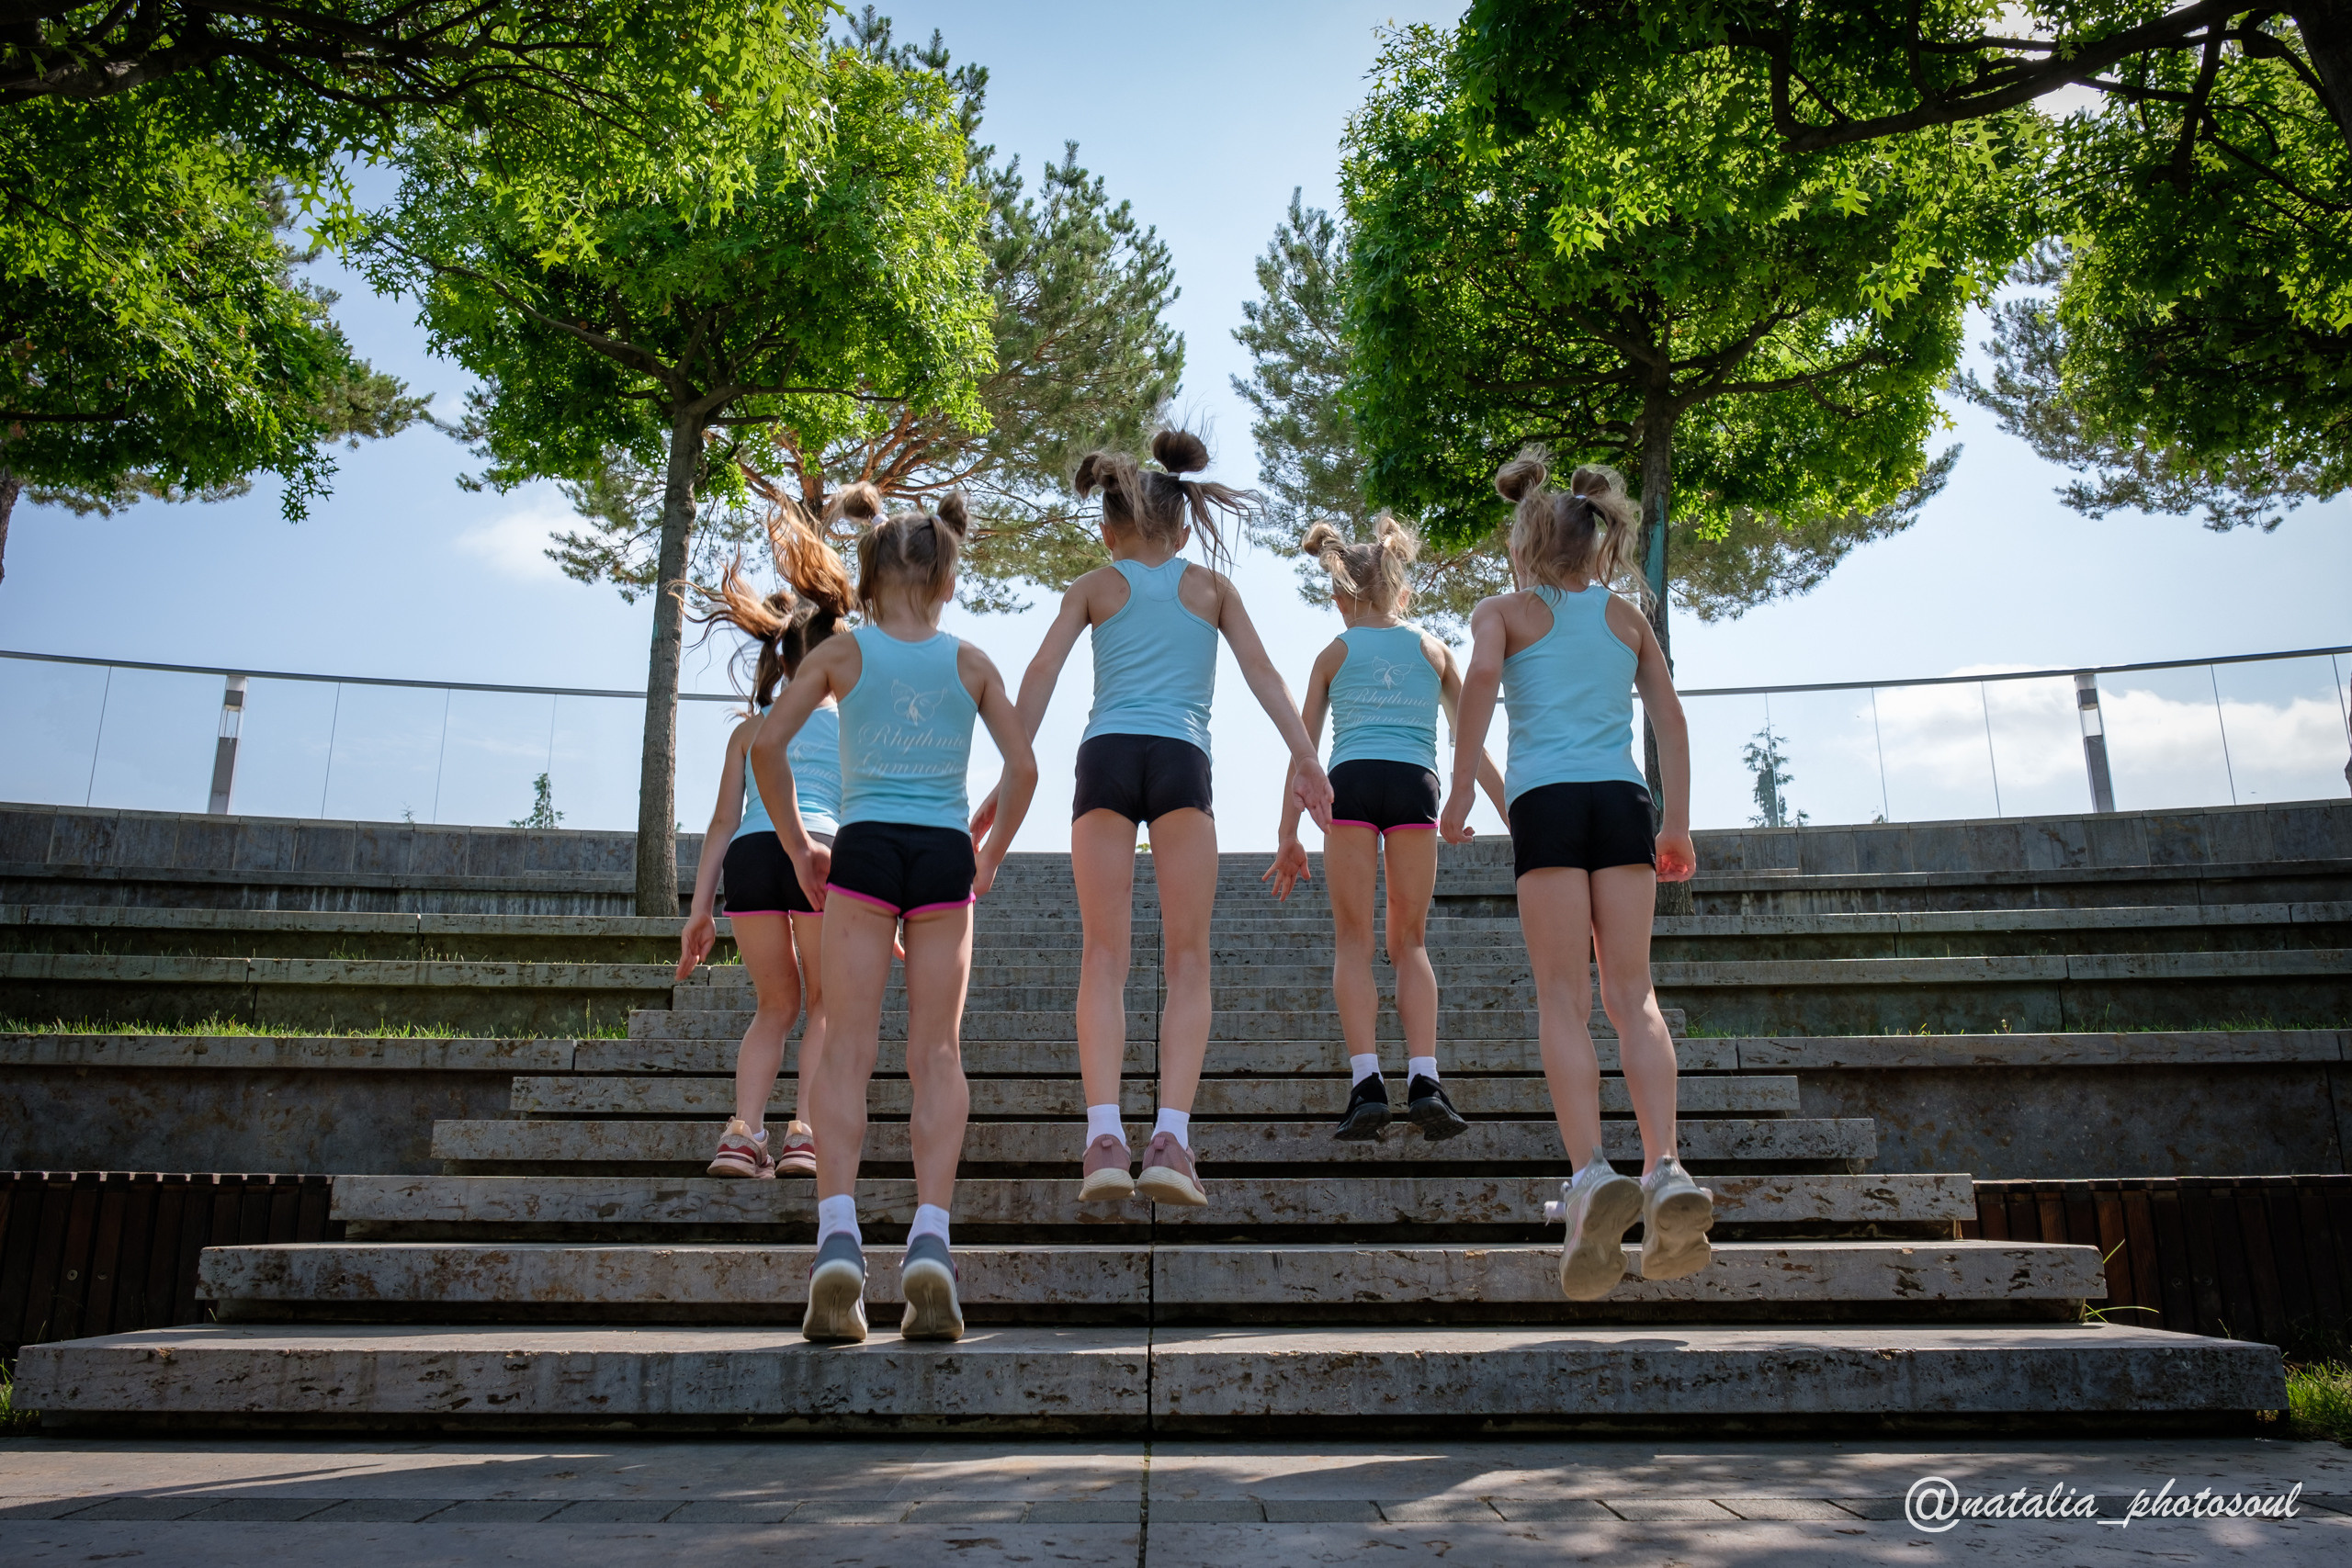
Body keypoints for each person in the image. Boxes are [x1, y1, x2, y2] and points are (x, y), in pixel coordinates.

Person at [976, 429, 1333, 1208]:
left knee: (1103, 956)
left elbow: (1040, 672)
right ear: (1185, 527)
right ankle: (1170, 1139)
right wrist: (1306, 755)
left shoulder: (1095, 586)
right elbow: (1264, 672)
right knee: (1188, 960)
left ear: (1109, 531)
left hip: (1106, 755)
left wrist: (1010, 770)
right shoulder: (1211, 589)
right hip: (1180, 760)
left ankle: (1104, 1139)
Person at [749, 485, 1036, 1345]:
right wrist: (989, 853)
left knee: (846, 1046)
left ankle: (838, 1237)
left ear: (868, 581)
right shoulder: (971, 662)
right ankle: (932, 1242)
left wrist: (800, 845)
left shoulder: (842, 653)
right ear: (946, 581)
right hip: (943, 850)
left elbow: (766, 744)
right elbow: (1023, 769)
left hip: (865, 844)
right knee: (936, 1053)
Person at [1438, 450, 1713, 1302]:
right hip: (1624, 801)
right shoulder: (1627, 617)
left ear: (1525, 541)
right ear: (1597, 542)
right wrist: (1675, 821)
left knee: (1563, 996)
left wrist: (1459, 789)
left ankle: (1592, 1174)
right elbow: (1669, 717)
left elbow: (1482, 679)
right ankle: (1665, 1165)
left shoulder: (1503, 611)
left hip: (1547, 803)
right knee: (1635, 995)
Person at [1263, 514, 1510, 1142]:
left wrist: (1288, 834)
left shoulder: (1333, 653)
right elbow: (1471, 742)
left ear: (1341, 596)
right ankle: (1424, 1079)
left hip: (1350, 782)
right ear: (1402, 590)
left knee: (1354, 942)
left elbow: (1303, 751)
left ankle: (1367, 1083)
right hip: (1414, 785)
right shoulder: (1433, 649)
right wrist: (1513, 813)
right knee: (1411, 942)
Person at [676, 508, 854, 1180]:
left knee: (774, 1006)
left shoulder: (749, 732)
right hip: (822, 853)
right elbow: (862, 814)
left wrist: (700, 910)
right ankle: (804, 1135)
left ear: (782, 657)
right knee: (825, 1004)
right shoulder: (852, 726)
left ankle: (742, 1135)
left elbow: (722, 822)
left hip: (750, 859)